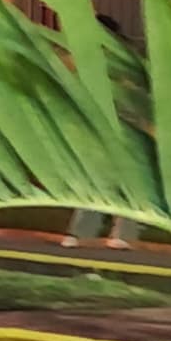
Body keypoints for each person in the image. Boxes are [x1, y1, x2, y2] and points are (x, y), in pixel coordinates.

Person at [65, 14, 140, 247]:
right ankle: (81, 232)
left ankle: (122, 234)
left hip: (124, 125)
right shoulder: (79, 56)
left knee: (128, 181)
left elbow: (134, 94)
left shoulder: (124, 59)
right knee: (92, 177)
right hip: (92, 124)